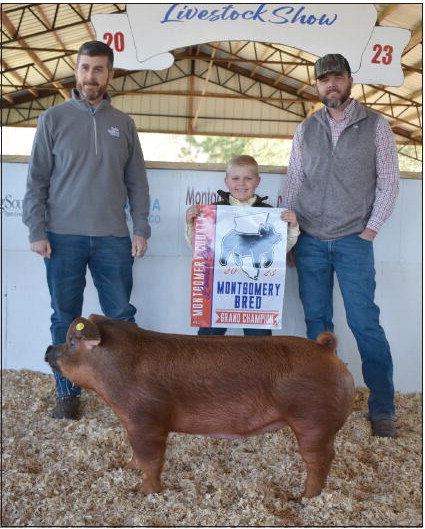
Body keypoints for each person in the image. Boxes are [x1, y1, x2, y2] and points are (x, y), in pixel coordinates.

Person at [22, 41, 151, 420]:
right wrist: (37, 229)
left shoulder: (123, 124)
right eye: (84, 68)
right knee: (65, 317)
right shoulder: (53, 119)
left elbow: (137, 185)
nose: (91, 76)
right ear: (75, 72)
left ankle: (126, 393)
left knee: (121, 318)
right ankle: (66, 393)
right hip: (61, 237)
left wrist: (139, 228)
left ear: (110, 74)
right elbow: (36, 181)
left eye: (98, 69)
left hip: (113, 237)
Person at [283, 54, 400, 438]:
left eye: (336, 78)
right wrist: (289, 234)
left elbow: (389, 182)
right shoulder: (306, 129)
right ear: (316, 86)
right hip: (312, 241)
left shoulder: (376, 126)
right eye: (323, 80)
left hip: (354, 240)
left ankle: (382, 408)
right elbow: (294, 182)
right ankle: (321, 402)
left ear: (350, 80)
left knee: (365, 324)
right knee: (317, 327)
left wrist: (371, 229)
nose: (330, 85)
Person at [186, 154, 299, 336]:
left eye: (248, 178)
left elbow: (278, 249)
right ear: (226, 181)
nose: (242, 183)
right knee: (208, 337)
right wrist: (192, 223)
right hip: (218, 290)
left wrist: (293, 227)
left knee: (259, 340)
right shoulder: (212, 212)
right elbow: (200, 249)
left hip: (257, 294)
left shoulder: (270, 214)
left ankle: (259, 365)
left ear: (257, 181)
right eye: (235, 178)